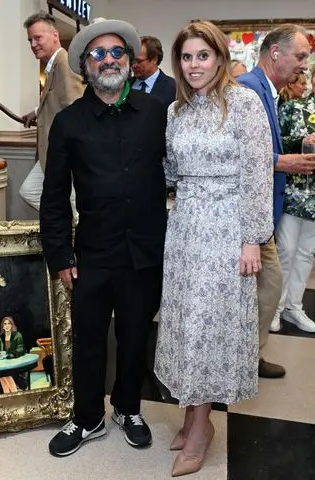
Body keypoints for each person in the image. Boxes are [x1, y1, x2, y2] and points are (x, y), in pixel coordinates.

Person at [40, 17, 167, 457]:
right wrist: (59, 256)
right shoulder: (69, 123)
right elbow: (53, 197)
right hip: (91, 253)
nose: (108, 59)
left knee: (135, 336)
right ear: (86, 66)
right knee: (90, 338)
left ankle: (128, 407)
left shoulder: (157, 114)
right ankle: (88, 416)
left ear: (131, 64)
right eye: (99, 53)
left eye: (117, 53)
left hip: (146, 251)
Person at [154, 20, 274, 477]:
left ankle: (202, 427)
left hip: (227, 230)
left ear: (220, 58)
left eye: (202, 55)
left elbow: (259, 173)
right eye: (186, 57)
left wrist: (252, 239)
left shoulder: (243, 104)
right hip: (184, 228)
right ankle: (190, 414)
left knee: (210, 328)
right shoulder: (175, 111)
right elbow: (168, 170)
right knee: (186, 324)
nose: (194, 65)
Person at [238, 24, 315, 378]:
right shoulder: (248, 90)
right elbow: (234, 154)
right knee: (267, 287)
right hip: (248, 217)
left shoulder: (268, 92)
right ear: (275, 54)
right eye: (299, 56)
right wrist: (281, 162)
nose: (304, 63)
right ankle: (243, 360)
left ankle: (249, 356)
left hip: (262, 215)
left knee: (267, 290)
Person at [19, 12, 84, 212]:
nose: (33, 44)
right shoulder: (53, 65)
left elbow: (76, 106)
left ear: (55, 35)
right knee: (30, 191)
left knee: (73, 207)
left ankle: (70, 231)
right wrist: (38, 111)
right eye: (30, 39)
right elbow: (59, 98)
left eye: (38, 38)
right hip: (51, 153)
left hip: (66, 156)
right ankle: (63, 223)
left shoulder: (64, 62)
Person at [270, 67, 315, 333]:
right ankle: (276, 307)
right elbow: (276, 145)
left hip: (314, 198)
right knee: (284, 252)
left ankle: (294, 307)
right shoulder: (293, 108)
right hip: (291, 192)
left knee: (306, 254)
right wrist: (302, 140)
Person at [131, 36, 176, 108]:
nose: (134, 65)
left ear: (154, 59)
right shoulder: (124, 85)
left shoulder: (174, 88)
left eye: (138, 61)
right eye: (132, 60)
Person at [0, 317, 26, 393]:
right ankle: (11, 391)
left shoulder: (17, 335)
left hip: (15, 363)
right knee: (2, 375)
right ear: (2, 326)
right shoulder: (0, 337)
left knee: (4, 374)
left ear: (12, 325)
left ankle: (12, 391)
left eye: (9, 323)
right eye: (5, 324)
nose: (7, 325)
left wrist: (13, 354)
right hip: (3, 363)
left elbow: (21, 348)